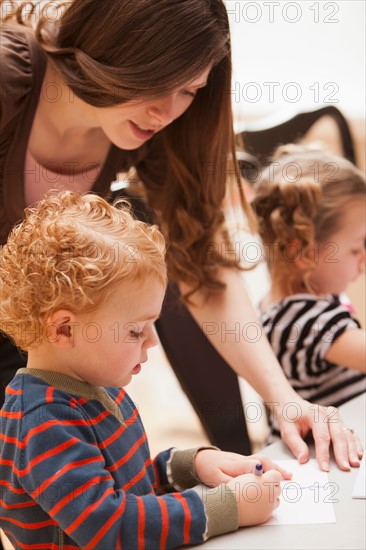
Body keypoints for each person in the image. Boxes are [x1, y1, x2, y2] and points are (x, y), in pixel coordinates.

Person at [0, 0, 362, 470]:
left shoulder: (155, 127)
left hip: (39, 339)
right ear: (116, 43)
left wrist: (284, 399)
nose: (168, 112)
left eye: (190, 90)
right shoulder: (11, 76)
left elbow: (202, 259)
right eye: (160, 81)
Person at [0, 191, 288, 549]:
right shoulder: (42, 422)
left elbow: (125, 486)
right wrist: (226, 507)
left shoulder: (98, 385)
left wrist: (189, 467)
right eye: (136, 330)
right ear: (63, 329)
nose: (152, 341)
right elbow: (112, 524)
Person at [252, 145, 366, 434]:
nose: (363, 257)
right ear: (302, 253)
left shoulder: (287, 303)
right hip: (320, 467)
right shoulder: (303, 320)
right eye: (356, 249)